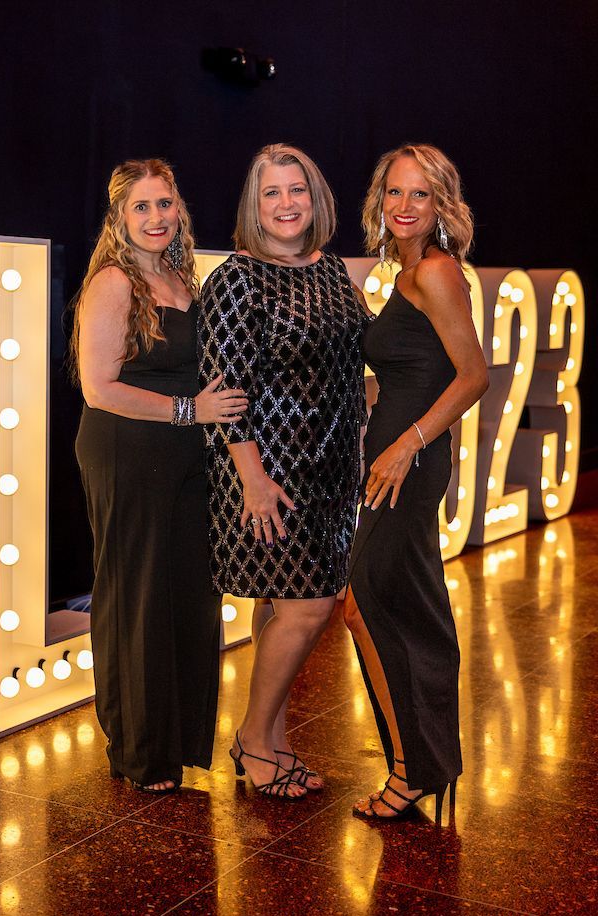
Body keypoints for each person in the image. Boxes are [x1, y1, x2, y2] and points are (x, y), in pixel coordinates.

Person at [199, 144, 370, 799]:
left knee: (279, 605)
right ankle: (250, 737)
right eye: (271, 193)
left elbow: (351, 361)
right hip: (269, 471)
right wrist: (253, 479)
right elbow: (227, 386)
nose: (287, 203)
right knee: (308, 605)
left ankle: (271, 737)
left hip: (332, 468)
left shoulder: (333, 272)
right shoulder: (238, 278)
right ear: (254, 205)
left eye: (296, 189)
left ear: (315, 196)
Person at [72, 159, 247, 793]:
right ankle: (141, 752)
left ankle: (175, 741)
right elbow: (98, 388)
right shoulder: (114, 283)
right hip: (129, 449)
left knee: (189, 597)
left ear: (180, 209)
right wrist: (189, 410)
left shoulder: (183, 277)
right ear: (120, 217)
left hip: (185, 454)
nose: (156, 217)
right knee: (139, 596)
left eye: (164, 204)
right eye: (141, 207)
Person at [345, 144, 487, 823]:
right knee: (392, 603)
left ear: (441, 205)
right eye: (395, 193)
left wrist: (407, 442)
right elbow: (416, 369)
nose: (404, 205)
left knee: (371, 600)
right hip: (393, 458)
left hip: (411, 463)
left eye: (420, 194)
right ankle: (425, 762)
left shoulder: (434, 272)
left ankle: (413, 769)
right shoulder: (401, 274)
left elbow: (473, 375)